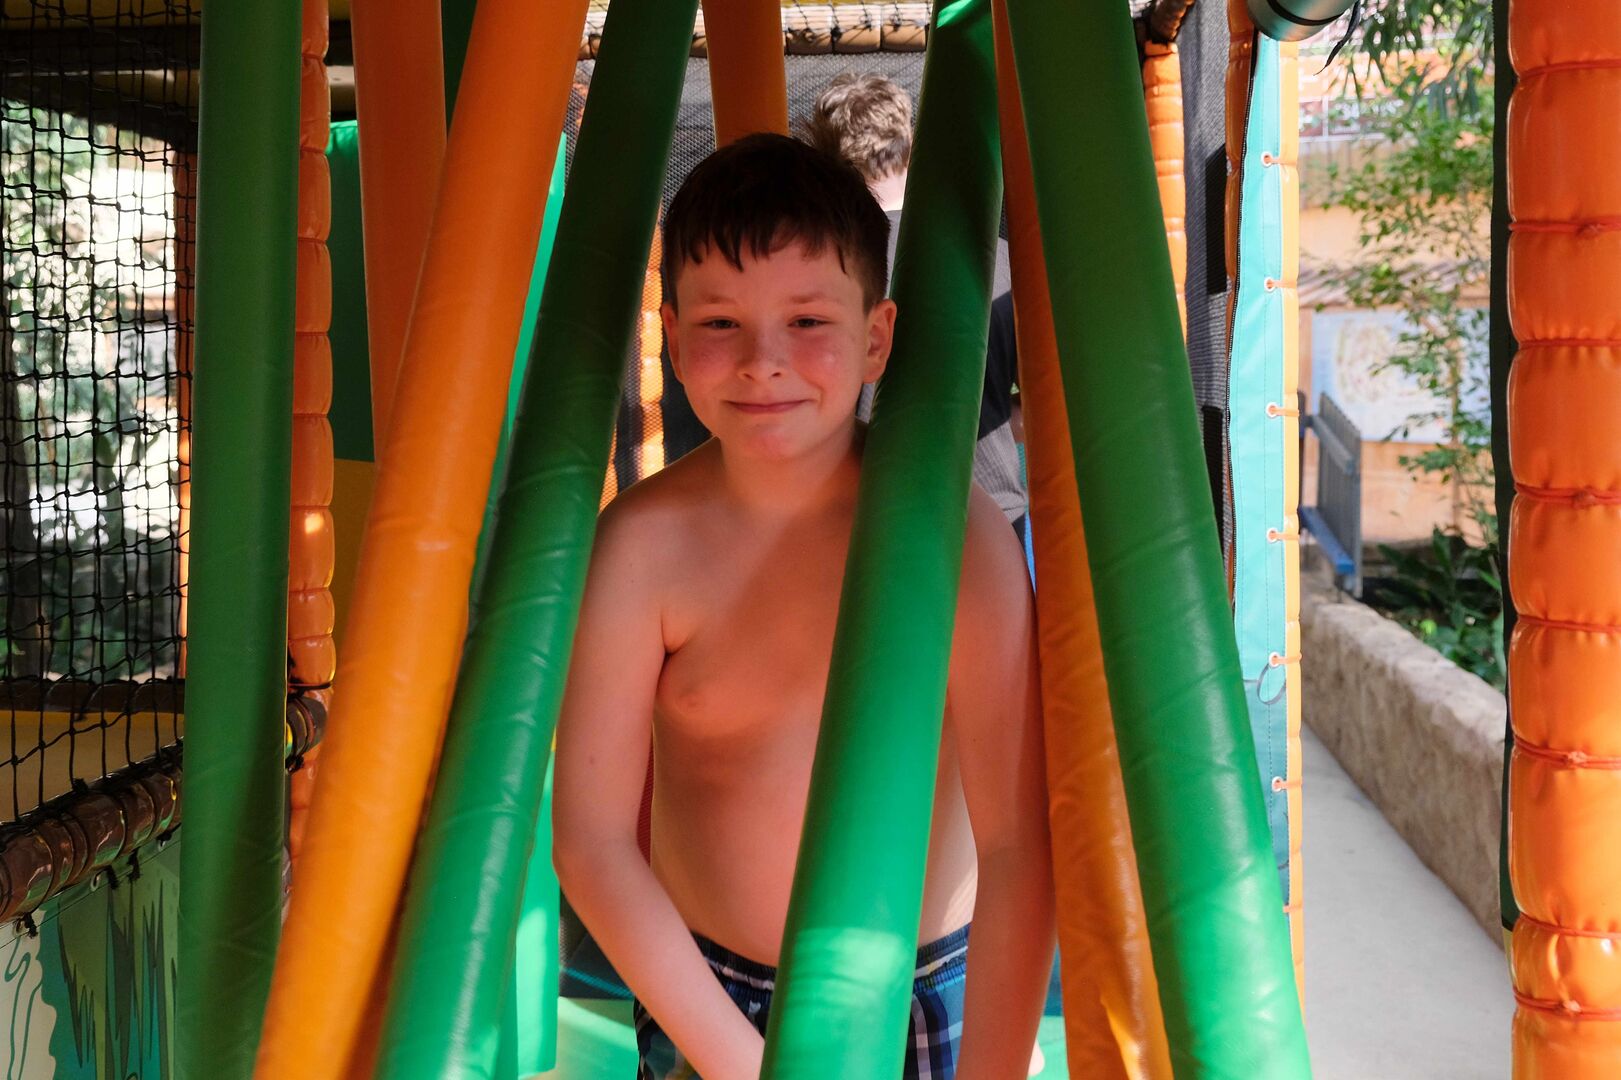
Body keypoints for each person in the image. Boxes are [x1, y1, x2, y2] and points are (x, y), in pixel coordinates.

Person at [553, 134, 1054, 1080]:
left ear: (876, 339)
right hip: (715, 998)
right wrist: (738, 1064)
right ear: (671, 337)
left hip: (932, 987)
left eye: (807, 320)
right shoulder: (642, 550)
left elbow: (1018, 844)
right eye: (720, 324)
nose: (762, 362)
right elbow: (591, 841)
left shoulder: (954, 536)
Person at [804, 72, 1027, 537]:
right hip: (990, 520)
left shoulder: (817, 270)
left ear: (828, 161)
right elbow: (1039, 416)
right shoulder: (998, 260)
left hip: (862, 525)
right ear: (909, 145)